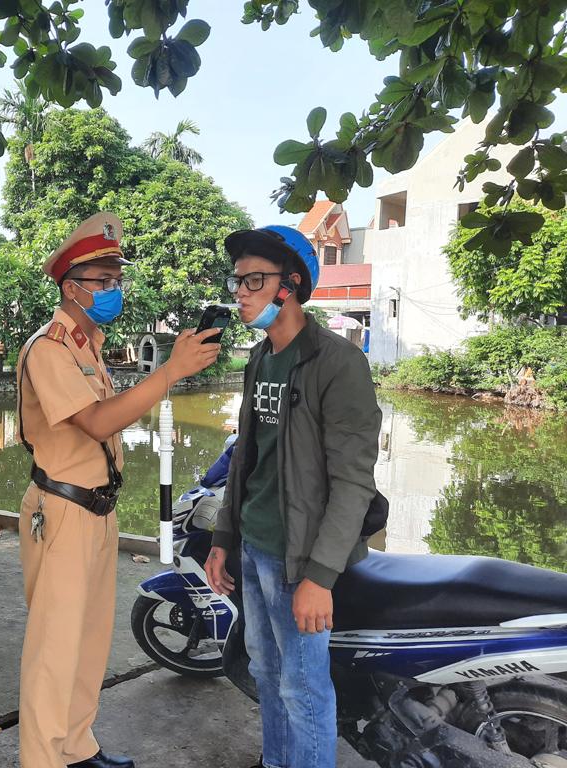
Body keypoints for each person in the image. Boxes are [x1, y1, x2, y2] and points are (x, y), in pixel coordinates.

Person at [16, 212, 221, 768]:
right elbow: (96, 423)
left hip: (94, 509)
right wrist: (169, 373)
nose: (112, 290)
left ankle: (76, 747)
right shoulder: (49, 348)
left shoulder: (88, 344)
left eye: (115, 280)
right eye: (101, 281)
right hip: (60, 509)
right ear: (69, 287)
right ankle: (43, 759)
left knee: (87, 642)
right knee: (54, 650)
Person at [202, 226, 381, 768]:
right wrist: (222, 538)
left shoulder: (338, 364)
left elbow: (354, 480)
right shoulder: (260, 360)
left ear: (291, 285)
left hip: (299, 556)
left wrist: (320, 576)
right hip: (254, 546)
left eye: (254, 280)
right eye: (237, 282)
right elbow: (246, 459)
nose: (241, 293)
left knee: (303, 689)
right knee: (264, 672)